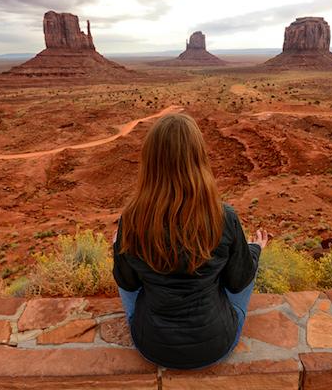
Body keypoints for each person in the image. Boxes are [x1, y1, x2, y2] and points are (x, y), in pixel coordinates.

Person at [112, 111, 267, 370]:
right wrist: (255, 250)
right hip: (216, 344)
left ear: (150, 161)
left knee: (126, 273)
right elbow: (237, 282)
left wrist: (120, 247)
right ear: (198, 158)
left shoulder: (132, 218)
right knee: (248, 265)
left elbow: (127, 282)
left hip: (152, 346)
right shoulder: (223, 216)